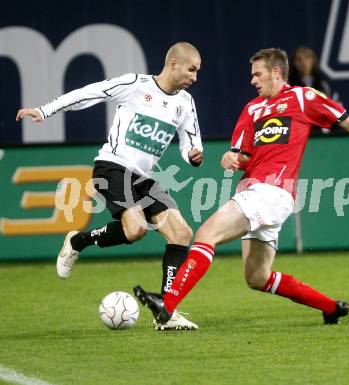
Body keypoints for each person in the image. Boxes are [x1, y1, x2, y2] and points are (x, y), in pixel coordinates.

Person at [133, 48, 349, 327]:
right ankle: (331, 308)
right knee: (257, 277)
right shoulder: (252, 109)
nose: (252, 81)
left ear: (276, 72)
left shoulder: (303, 98)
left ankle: (167, 305)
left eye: (257, 74)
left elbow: (348, 122)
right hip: (254, 192)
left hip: (271, 193)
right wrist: (232, 158)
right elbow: (244, 156)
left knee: (206, 234)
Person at [16, 42, 204, 331]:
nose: (194, 77)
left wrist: (192, 153)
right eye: (191, 69)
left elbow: (190, 140)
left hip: (143, 177)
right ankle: (77, 241)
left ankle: (167, 309)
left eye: (198, 71)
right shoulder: (134, 84)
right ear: (173, 64)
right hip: (112, 167)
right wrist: (45, 110)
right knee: (136, 230)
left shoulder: (185, 102)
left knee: (181, 232)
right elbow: (88, 93)